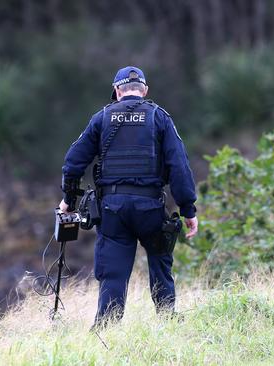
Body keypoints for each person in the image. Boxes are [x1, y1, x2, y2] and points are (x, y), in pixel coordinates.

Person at [59, 66, 198, 328]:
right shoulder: (159, 117)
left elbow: (73, 163)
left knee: (113, 273)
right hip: (150, 208)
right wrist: (188, 209)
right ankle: (167, 322)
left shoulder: (101, 118)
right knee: (160, 263)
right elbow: (179, 166)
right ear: (144, 91)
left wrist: (69, 199)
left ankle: (106, 330)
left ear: (117, 91)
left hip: (112, 210)